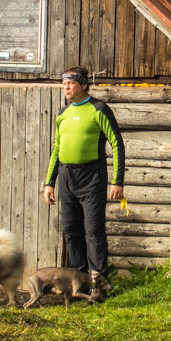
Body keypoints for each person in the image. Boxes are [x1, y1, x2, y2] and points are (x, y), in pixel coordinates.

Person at [42, 66, 125, 289]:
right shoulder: (62, 113)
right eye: (63, 83)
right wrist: (49, 183)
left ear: (84, 84)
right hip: (66, 177)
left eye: (70, 83)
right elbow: (56, 148)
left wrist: (117, 181)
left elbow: (116, 143)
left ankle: (98, 284)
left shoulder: (99, 109)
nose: (65, 87)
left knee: (94, 230)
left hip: (92, 177)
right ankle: (78, 284)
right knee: (71, 230)